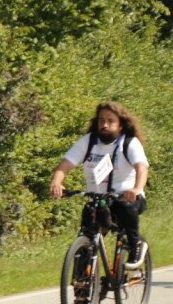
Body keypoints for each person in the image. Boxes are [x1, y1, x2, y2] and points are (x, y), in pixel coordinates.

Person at [49, 101, 149, 267]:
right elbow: (64, 165)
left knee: (125, 207)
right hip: (98, 198)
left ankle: (135, 245)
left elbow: (141, 168)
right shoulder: (89, 141)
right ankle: (82, 278)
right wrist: (56, 182)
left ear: (121, 125)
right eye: (101, 120)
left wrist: (137, 189)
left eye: (110, 121)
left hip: (125, 197)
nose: (105, 125)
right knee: (87, 234)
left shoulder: (129, 143)